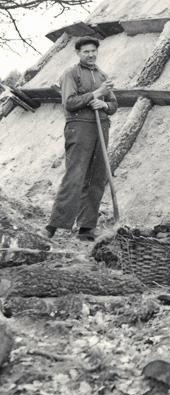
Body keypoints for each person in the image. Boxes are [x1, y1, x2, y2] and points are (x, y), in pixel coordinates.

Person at [44, 36, 117, 241]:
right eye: (86, 52)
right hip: (79, 127)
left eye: (94, 51)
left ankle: (86, 227)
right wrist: (95, 94)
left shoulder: (103, 75)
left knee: (97, 177)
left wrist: (104, 104)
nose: (91, 55)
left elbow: (113, 105)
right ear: (78, 53)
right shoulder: (71, 74)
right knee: (75, 175)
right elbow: (69, 103)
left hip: (101, 126)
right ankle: (54, 225)